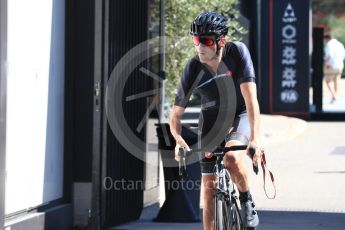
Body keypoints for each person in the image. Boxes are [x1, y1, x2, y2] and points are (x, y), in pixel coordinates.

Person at [169, 12, 262, 230]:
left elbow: (251, 100)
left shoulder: (238, 52)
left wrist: (256, 139)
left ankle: (246, 200)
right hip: (210, 122)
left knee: (231, 158)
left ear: (222, 42)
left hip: (239, 115)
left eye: (206, 41)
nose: (200, 46)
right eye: (196, 40)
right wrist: (178, 139)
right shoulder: (193, 67)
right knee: (209, 189)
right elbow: (175, 114)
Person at [324, 34, 345, 103]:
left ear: (326, 39)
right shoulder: (340, 44)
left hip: (332, 66)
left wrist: (326, 64)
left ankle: (333, 95)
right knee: (336, 81)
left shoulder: (329, 44)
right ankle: (335, 96)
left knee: (327, 81)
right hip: (340, 65)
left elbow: (329, 55)